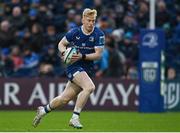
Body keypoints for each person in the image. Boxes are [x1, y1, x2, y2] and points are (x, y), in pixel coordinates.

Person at [32, 8, 105, 129]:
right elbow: (61, 44)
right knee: (90, 87)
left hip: (87, 69)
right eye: (89, 20)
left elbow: (98, 55)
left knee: (64, 99)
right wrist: (64, 52)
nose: (91, 23)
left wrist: (82, 56)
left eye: (93, 21)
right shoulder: (75, 32)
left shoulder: (99, 34)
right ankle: (75, 117)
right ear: (83, 20)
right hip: (74, 66)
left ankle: (43, 110)